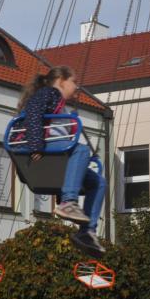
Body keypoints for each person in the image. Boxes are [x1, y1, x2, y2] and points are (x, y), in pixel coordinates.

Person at [17, 66, 106, 258]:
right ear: (61, 80)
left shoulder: (62, 108)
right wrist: (35, 145)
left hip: (56, 154)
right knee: (82, 149)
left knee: (99, 182)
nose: (77, 87)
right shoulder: (49, 93)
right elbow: (33, 111)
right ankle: (69, 202)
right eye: (74, 82)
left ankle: (87, 232)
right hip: (44, 148)